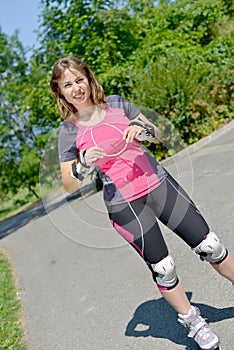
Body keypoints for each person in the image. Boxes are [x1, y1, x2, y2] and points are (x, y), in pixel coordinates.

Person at [50, 56, 234, 350]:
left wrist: (142, 130)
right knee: (164, 268)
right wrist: (83, 163)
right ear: (60, 92)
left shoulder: (116, 104)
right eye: (68, 85)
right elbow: (69, 183)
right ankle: (194, 323)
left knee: (210, 246)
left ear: (89, 78)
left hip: (159, 185)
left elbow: (156, 133)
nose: (76, 88)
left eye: (79, 80)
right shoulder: (68, 131)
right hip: (124, 205)